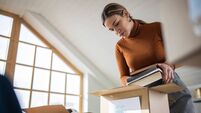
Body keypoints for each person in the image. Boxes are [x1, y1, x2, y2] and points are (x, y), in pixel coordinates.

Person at [101, 3, 195, 113]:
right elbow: (122, 77)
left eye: (117, 24)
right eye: (112, 30)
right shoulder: (119, 47)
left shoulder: (156, 28)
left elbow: (182, 53)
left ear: (126, 14)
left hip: (173, 88)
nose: (116, 31)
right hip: (147, 96)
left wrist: (169, 65)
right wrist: (131, 82)